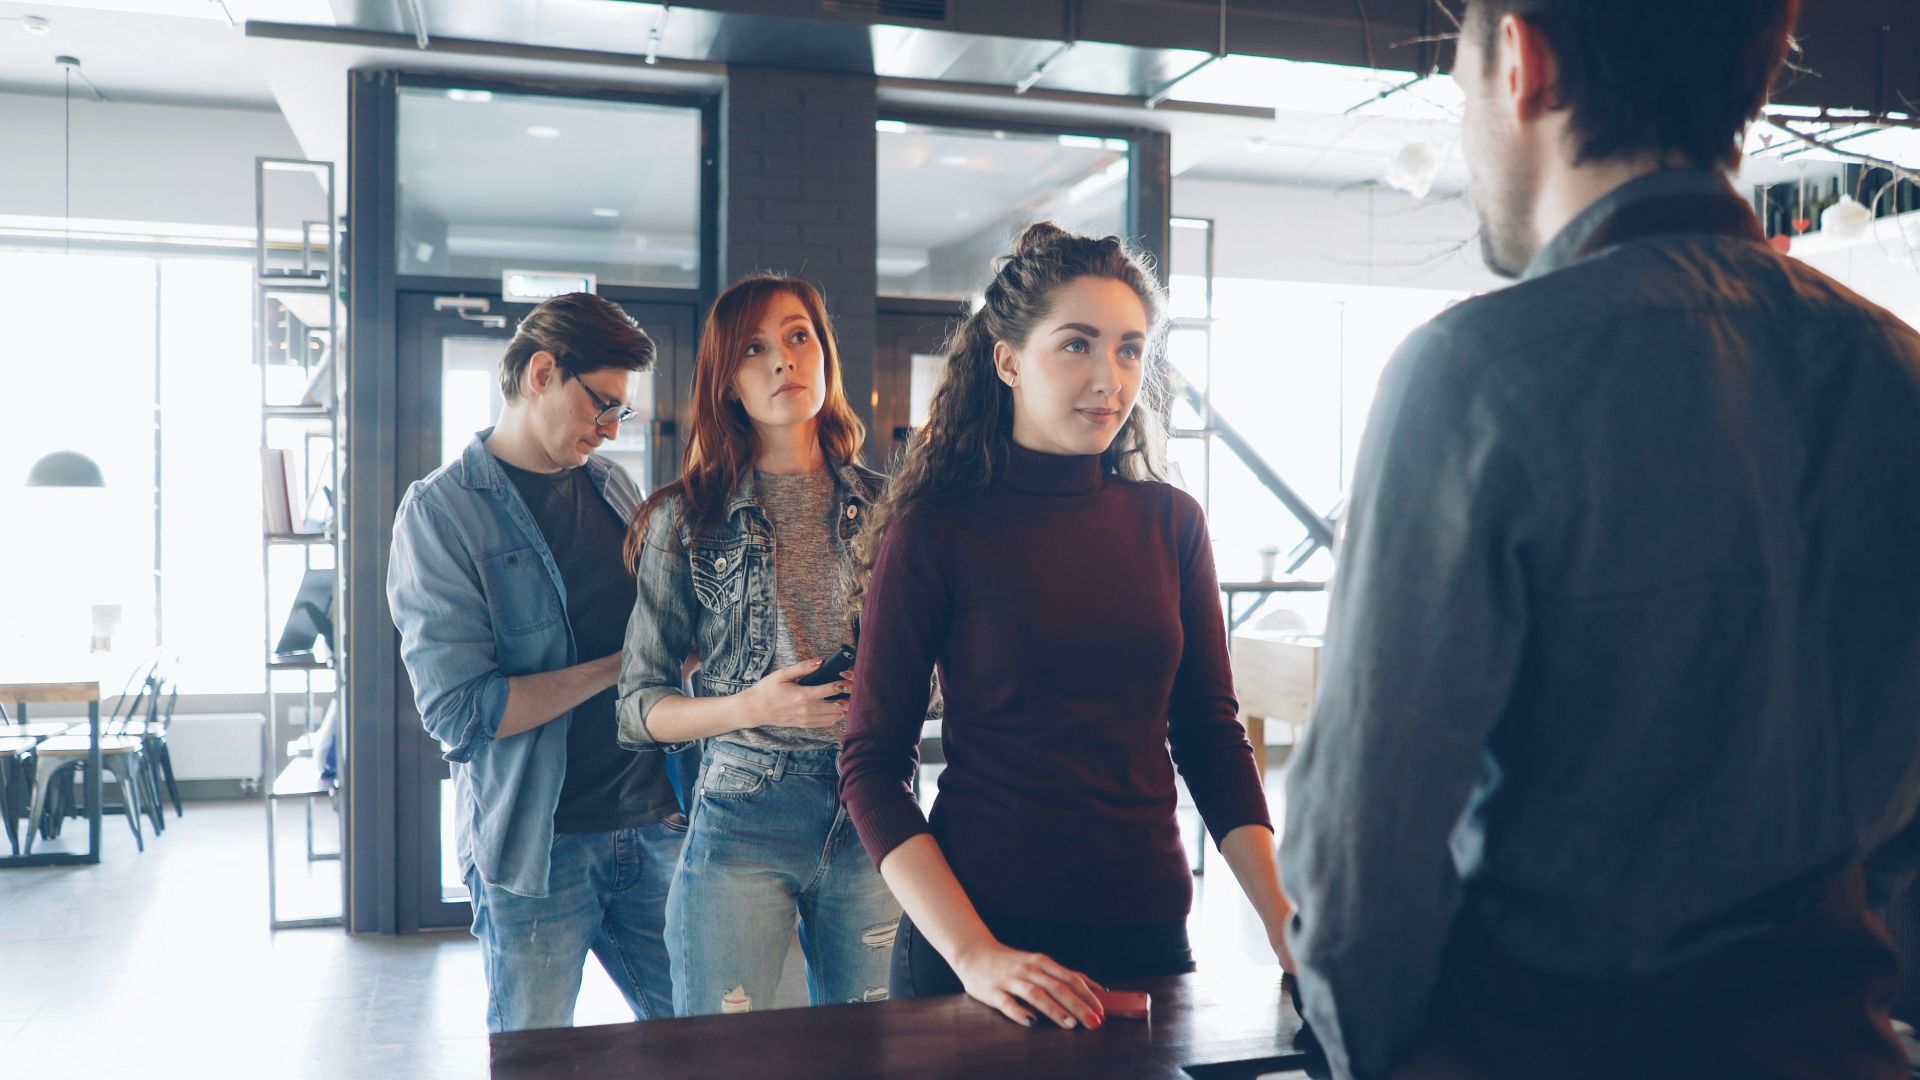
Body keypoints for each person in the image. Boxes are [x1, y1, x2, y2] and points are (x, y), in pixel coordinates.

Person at [1278, 2, 1920, 1077]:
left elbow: (1356, 858)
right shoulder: (1897, 372)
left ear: (1521, 62)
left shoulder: (1475, 373)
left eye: (1461, 85)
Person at [838, 222, 1293, 1032]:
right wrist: (975, 955)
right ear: (1008, 361)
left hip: (1148, 935)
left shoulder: (1172, 523)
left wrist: (1284, 921)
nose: (1109, 378)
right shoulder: (938, 531)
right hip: (984, 949)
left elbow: (1211, 735)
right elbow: (872, 767)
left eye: (1129, 350)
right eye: (1077, 345)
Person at [388, 292, 685, 1032]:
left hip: (655, 825)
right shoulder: (440, 513)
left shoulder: (612, 485)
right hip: (539, 849)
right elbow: (463, 714)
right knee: (535, 1058)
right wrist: (627, 667)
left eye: (623, 412)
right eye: (603, 404)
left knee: (704, 1046)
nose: (611, 428)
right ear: (543, 373)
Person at [617, 273, 901, 1016]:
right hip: (745, 808)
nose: (783, 359)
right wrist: (754, 706)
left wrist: (890, 690)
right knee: (725, 1054)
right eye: (754, 348)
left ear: (825, 356)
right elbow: (639, 707)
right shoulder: (685, 519)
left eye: (799, 336)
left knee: (879, 1053)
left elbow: (938, 673)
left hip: (876, 804)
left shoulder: (892, 509)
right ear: (727, 383)